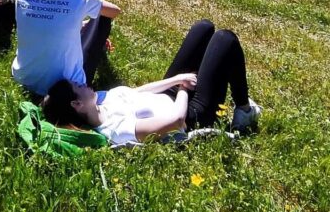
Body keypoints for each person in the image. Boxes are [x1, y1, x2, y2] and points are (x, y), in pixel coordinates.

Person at [41, 20, 261, 146]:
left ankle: (204, 76)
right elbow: (176, 121)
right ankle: (243, 111)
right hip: (192, 114)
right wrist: (184, 90)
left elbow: (136, 92)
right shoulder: (116, 129)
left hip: (171, 92)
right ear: (76, 104)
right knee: (225, 39)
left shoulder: (99, 100)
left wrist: (176, 79)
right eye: (78, 87)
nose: (84, 84)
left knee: (203, 28)